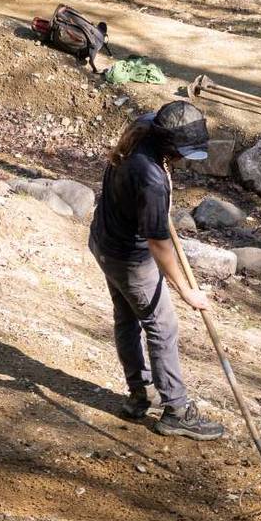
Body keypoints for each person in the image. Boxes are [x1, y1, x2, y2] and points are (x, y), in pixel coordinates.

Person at [88, 101, 225, 441]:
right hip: (129, 259)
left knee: (127, 318)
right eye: (182, 152)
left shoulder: (146, 125)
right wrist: (186, 291)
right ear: (167, 144)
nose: (184, 160)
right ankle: (176, 411)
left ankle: (138, 397)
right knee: (162, 326)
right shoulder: (150, 178)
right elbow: (159, 245)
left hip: (104, 241)